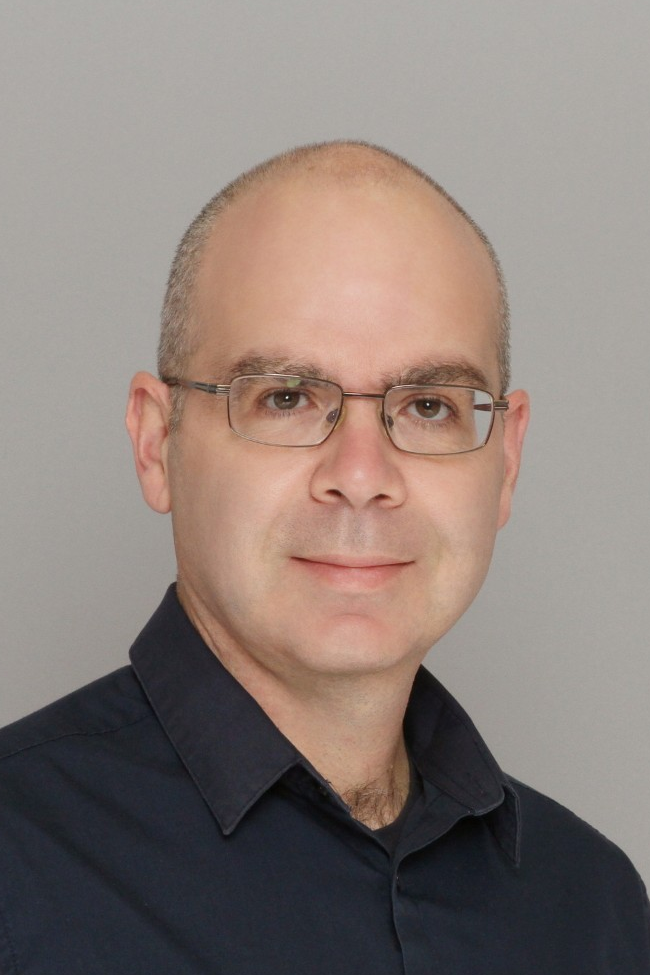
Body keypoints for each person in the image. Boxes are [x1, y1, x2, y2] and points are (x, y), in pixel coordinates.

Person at [0, 141, 648, 974]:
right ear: (158, 443)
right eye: (286, 397)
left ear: (507, 461)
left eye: (428, 405)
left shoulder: (590, 906)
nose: (362, 476)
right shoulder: (17, 870)